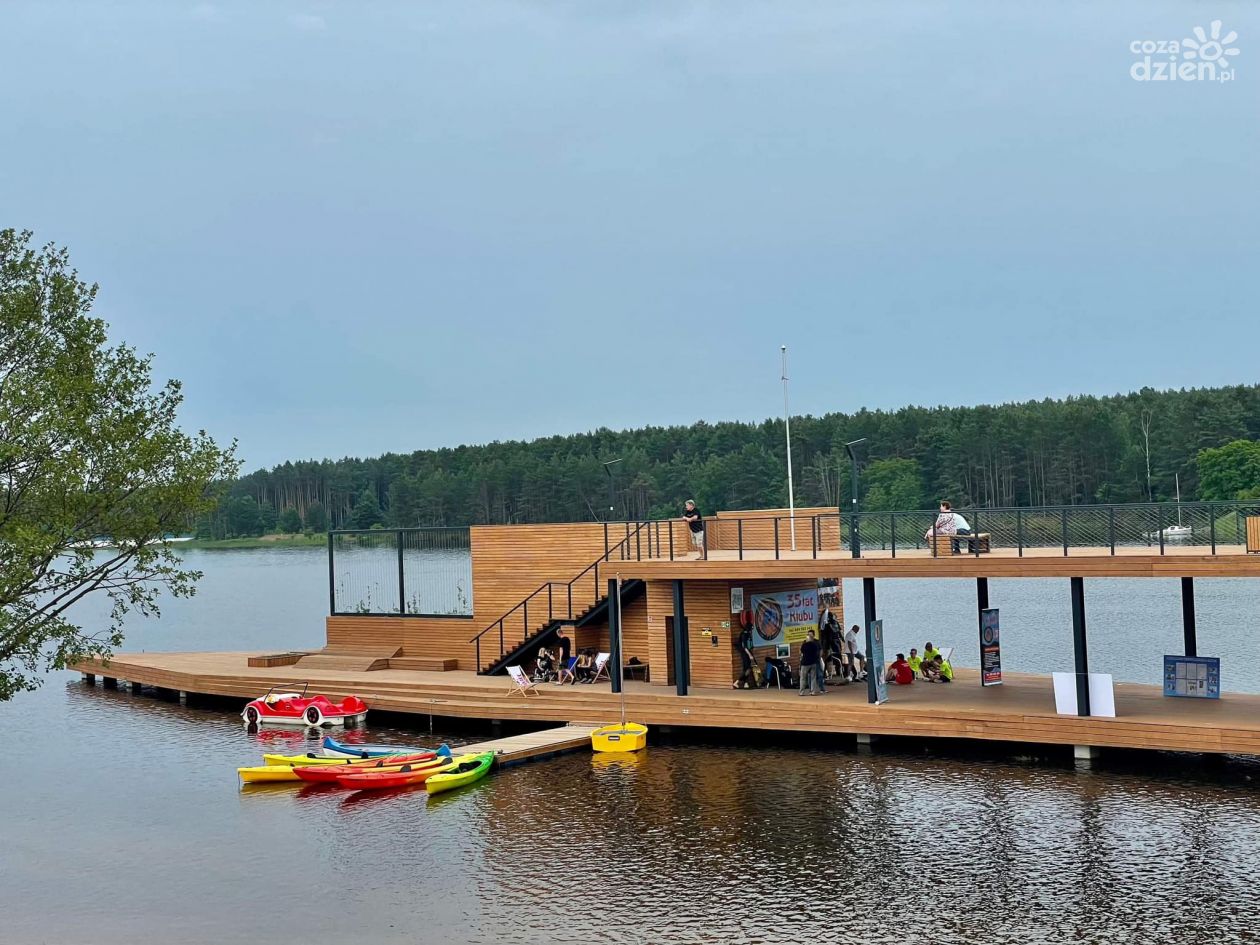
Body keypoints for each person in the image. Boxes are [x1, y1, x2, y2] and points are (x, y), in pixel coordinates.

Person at [799, 631, 823, 696]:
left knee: (803, 678)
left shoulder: (804, 645)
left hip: (805, 663)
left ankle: (801, 692)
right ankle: (813, 692)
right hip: (813, 663)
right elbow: (817, 652)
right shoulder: (815, 645)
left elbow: (801, 652)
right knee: (813, 678)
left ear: (807, 639)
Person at [734, 621, 756, 689]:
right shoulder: (744, 635)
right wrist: (750, 655)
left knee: (747, 669)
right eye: (751, 628)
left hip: (747, 653)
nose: (752, 630)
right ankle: (737, 682)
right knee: (747, 669)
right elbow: (745, 647)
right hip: (745, 653)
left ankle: (745, 683)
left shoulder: (748, 634)